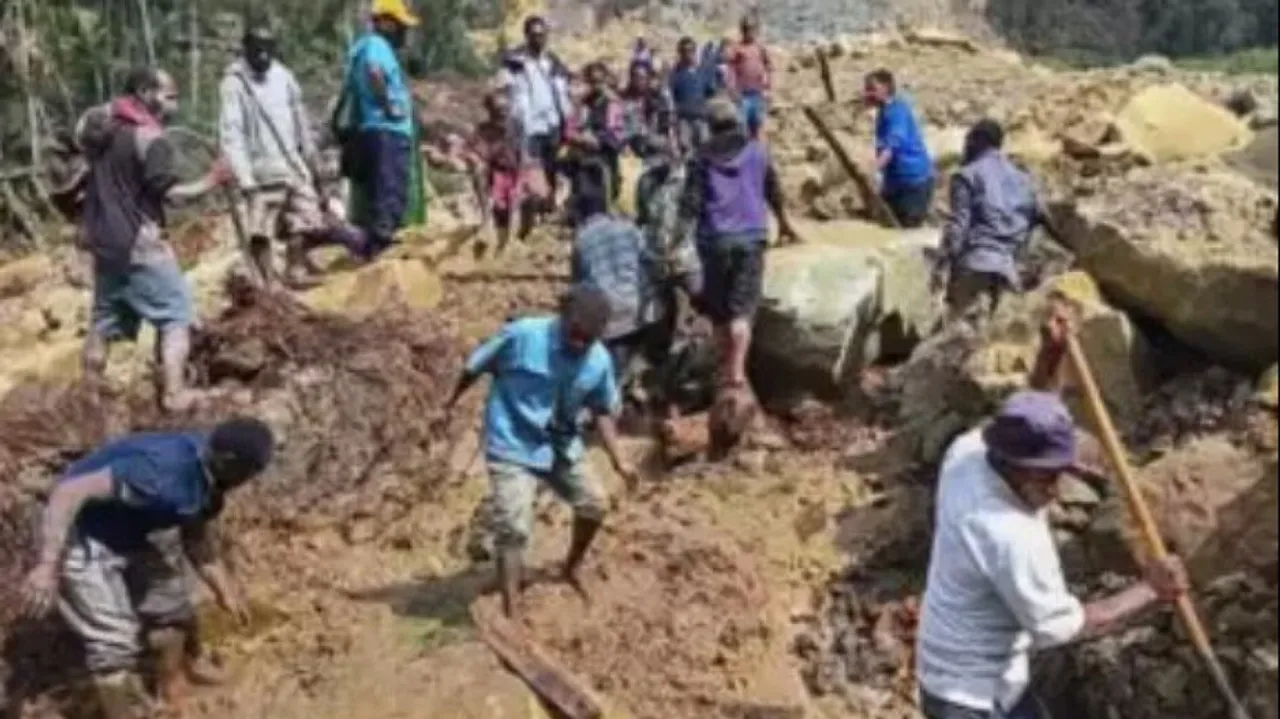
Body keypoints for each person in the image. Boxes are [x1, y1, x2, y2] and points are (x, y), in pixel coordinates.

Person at [916, 309, 1190, 719]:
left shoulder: (971, 452)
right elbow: (1075, 625)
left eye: (1061, 471)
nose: (1056, 487)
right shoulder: (1008, 535)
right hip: (969, 699)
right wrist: (1151, 590)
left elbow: (1032, 417)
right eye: (1045, 476)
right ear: (1013, 463)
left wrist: (1050, 356)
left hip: (986, 674)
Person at [19, 419, 276, 719]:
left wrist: (225, 589)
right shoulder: (162, 470)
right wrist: (47, 565)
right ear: (230, 461)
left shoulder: (210, 476)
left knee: (173, 608)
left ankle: (173, 686)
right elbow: (69, 492)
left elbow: (194, 536)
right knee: (114, 641)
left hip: (132, 530)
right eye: (250, 472)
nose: (250, 480)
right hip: (81, 534)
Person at [442, 286, 638, 619]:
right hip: (512, 440)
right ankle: (512, 607)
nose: (578, 343)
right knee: (514, 527)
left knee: (594, 504)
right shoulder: (522, 336)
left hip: (560, 444)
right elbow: (475, 366)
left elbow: (603, 409)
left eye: (587, 339)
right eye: (574, 334)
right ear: (563, 315)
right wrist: (448, 405)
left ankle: (571, 567)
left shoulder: (599, 360)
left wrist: (619, 459)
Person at [64, 67, 230, 414]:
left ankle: (89, 395)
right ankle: (173, 394)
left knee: (104, 321)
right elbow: (170, 194)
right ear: (145, 92)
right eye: (170, 96)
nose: (175, 105)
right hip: (140, 243)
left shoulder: (105, 132)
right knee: (176, 316)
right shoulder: (150, 138)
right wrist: (211, 180)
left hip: (104, 243)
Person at [679, 99, 798, 396]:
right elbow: (774, 191)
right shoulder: (758, 152)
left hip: (714, 240)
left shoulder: (700, 158)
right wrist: (784, 223)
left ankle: (722, 368)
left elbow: (691, 203)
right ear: (737, 122)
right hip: (751, 237)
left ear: (709, 125)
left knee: (719, 311)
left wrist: (679, 241)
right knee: (742, 311)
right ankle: (736, 372)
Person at [220, 25, 336, 288]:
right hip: (260, 170)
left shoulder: (284, 77)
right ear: (245, 50)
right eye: (256, 50)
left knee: (306, 220)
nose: (262, 56)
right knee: (262, 230)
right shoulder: (234, 84)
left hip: (291, 163)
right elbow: (232, 133)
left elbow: (300, 123)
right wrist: (245, 179)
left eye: (267, 50)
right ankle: (268, 282)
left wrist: (311, 161)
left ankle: (296, 269)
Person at [935, 119, 1051, 324]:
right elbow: (1038, 221)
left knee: (961, 340)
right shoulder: (1023, 179)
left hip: (975, 264)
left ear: (978, 141)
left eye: (968, 141)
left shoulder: (966, 176)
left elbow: (959, 226)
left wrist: (942, 264)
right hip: (1009, 270)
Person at [570, 174, 672, 396]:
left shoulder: (580, 241)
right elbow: (653, 261)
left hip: (611, 318)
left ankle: (609, 406)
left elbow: (578, 288)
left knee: (612, 371)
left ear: (580, 214)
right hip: (645, 310)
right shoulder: (628, 228)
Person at [337, 0, 424, 260]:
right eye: (400, 26)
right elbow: (375, 72)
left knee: (385, 190)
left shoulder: (368, 46)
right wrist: (388, 106)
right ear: (386, 22)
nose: (403, 32)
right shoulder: (376, 45)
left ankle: (374, 244)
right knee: (388, 190)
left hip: (380, 129)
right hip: (385, 128)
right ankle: (378, 248)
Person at [504, 15, 573, 213]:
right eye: (534, 35)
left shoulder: (551, 61)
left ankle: (548, 206)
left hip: (551, 123)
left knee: (551, 166)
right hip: (528, 123)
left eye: (542, 35)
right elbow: (507, 87)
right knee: (529, 167)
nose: (538, 39)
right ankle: (528, 210)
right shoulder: (515, 60)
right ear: (526, 35)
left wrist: (565, 118)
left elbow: (563, 88)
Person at [863, 69, 936, 228]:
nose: (867, 93)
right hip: (895, 182)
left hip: (913, 182)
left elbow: (893, 146)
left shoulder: (897, 111)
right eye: (866, 89)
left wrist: (873, 169)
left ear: (886, 88)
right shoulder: (885, 110)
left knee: (907, 230)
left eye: (871, 89)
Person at [566, 61, 626, 207]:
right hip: (583, 159)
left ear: (605, 80)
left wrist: (598, 139)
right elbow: (570, 129)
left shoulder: (613, 103)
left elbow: (617, 134)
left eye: (599, 81)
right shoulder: (582, 104)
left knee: (606, 200)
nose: (596, 85)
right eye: (592, 81)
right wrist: (579, 138)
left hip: (605, 159)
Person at [725, 16, 773, 140]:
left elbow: (769, 67)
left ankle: (757, 155)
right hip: (743, 95)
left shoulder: (760, 48)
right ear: (742, 30)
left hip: (757, 93)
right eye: (746, 29)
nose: (749, 32)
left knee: (757, 126)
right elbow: (730, 69)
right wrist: (732, 89)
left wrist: (767, 87)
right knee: (742, 127)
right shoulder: (737, 48)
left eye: (751, 29)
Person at [669, 36, 715, 157]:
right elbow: (671, 96)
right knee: (686, 150)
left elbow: (710, 92)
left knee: (705, 148)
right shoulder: (675, 74)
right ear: (680, 53)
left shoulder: (701, 72)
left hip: (701, 117)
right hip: (684, 119)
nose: (687, 54)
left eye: (690, 50)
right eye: (684, 51)